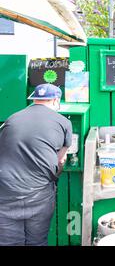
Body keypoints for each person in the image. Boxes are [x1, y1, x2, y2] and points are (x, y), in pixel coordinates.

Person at [0, 84, 72, 246]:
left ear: (34, 99)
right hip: (38, 194)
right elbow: (60, 160)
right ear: (55, 100)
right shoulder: (62, 122)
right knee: (37, 241)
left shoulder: (12, 118)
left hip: (5, 192)